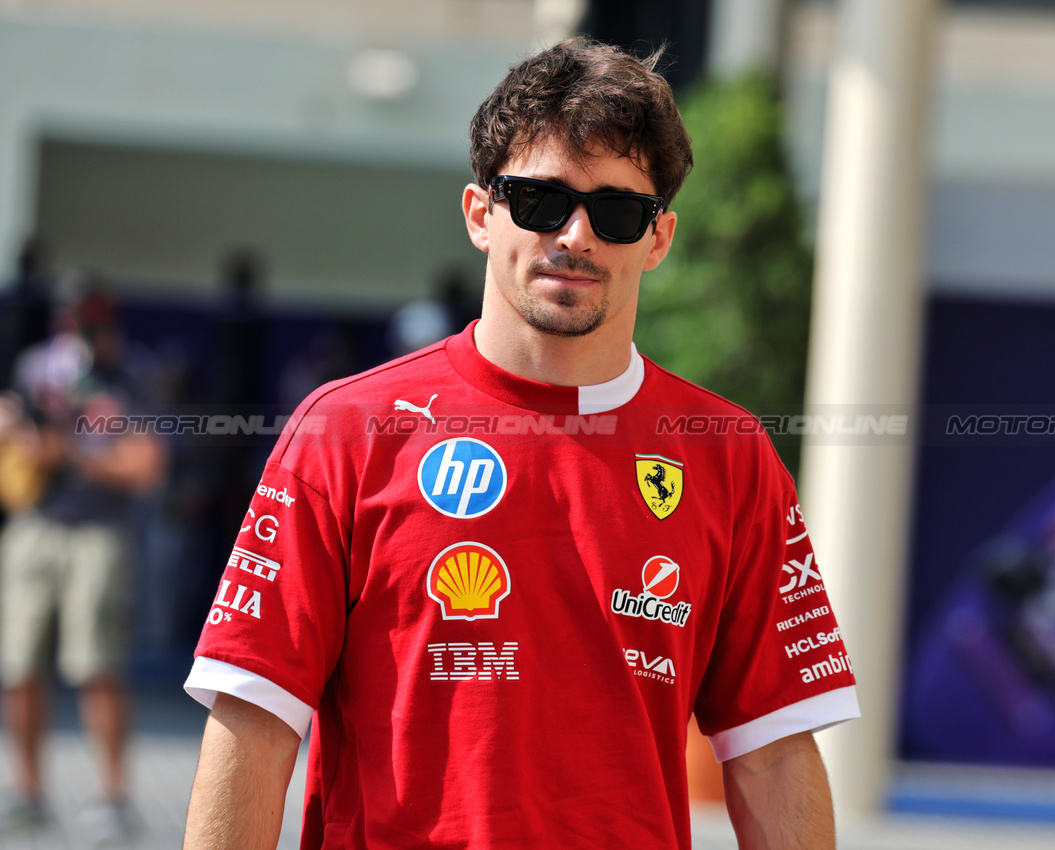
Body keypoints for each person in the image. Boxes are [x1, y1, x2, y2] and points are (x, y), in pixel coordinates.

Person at [183, 38, 859, 849]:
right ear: (480, 214)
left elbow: (774, 755)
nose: (575, 234)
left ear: (658, 238)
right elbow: (254, 723)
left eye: (616, 212)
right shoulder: (347, 430)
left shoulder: (728, 456)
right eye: (539, 201)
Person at [0, 285, 166, 839]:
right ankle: (27, 793)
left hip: (100, 533)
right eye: (72, 317)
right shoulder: (34, 366)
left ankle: (113, 799)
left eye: (91, 319)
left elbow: (145, 467)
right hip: (36, 527)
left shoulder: (131, 375)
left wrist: (67, 448)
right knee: (18, 667)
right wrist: (19, 436)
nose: (81, 330)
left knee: (97, 668)